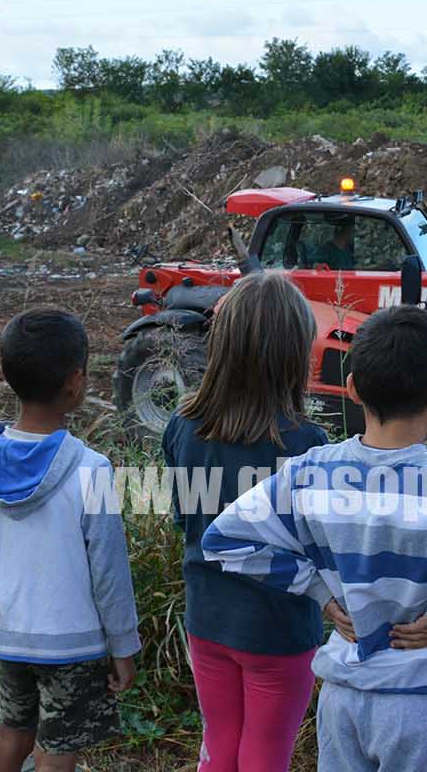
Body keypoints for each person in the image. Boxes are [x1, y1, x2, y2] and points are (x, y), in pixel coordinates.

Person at [202, 305, 427, 772]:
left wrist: (318, 591)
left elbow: (224, 540)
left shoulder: (309, 472)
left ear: (352, 387)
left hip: (342, 695)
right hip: (423, 700)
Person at [162, 271, 333, 772]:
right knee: (265, 753)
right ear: (294, 354)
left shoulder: (182, 426)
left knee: (219, 745)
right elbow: (319, 550)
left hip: (208, 617)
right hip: (279, 629)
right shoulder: (308, 446)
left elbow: (184, 519)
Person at [0, 308, 141, 772]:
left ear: (5, 374)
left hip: (6, 630)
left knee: (13, 731)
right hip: (70, 641)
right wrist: (123, 645)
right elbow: (109, 571)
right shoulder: (92, 469)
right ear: (76, 381)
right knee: (59, 749)